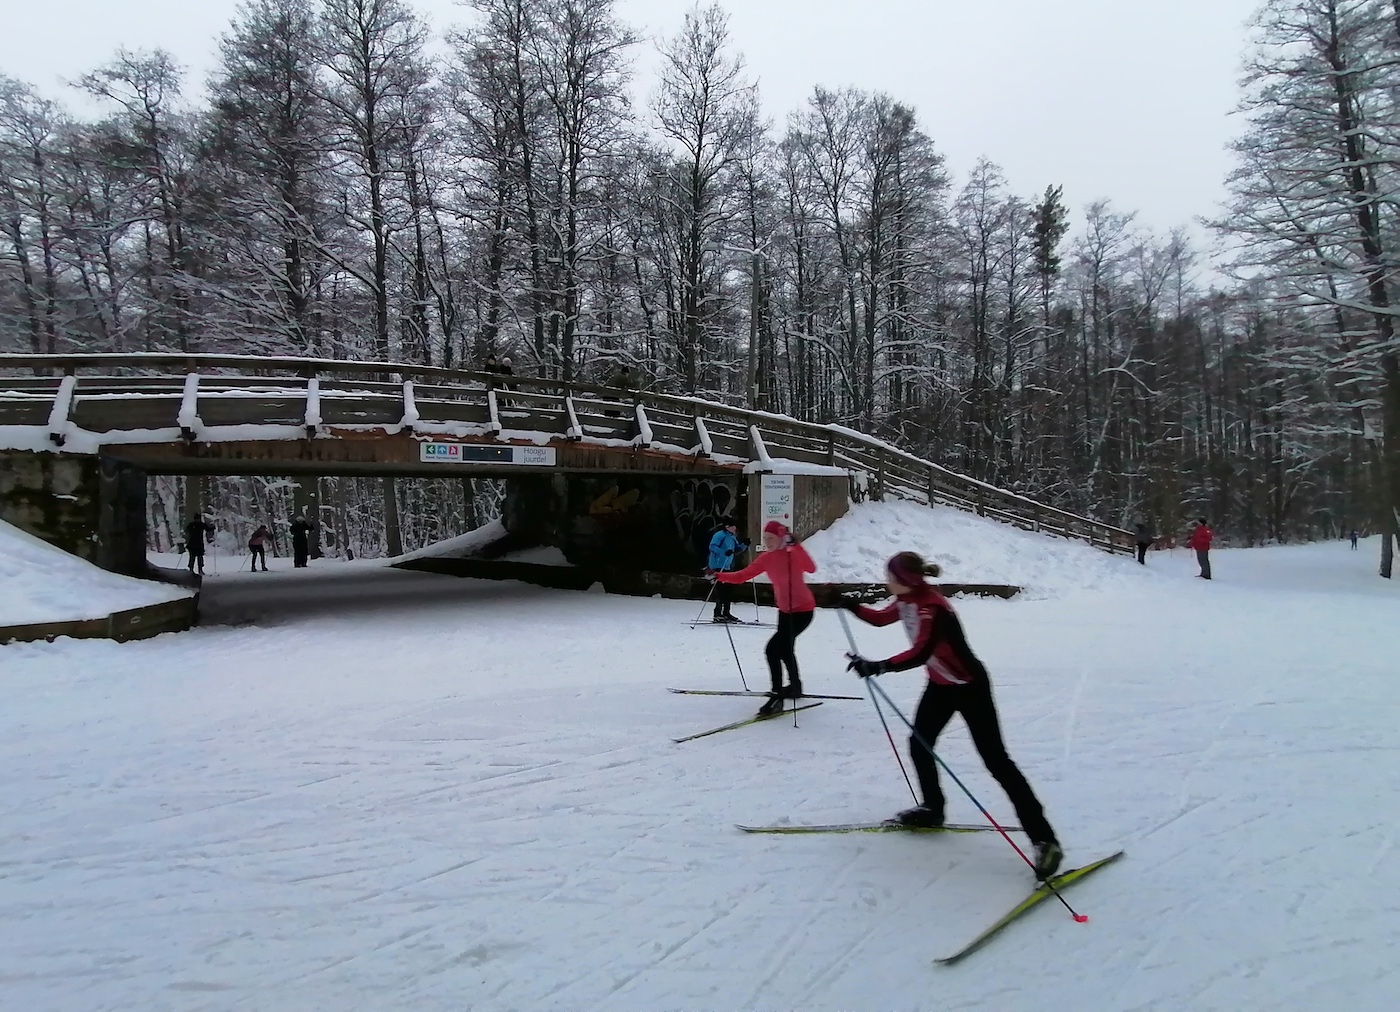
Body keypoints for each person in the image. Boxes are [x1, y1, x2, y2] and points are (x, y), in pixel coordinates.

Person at [841, 551, 1063, 880]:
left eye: (890, 576)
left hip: (970, 687)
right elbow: (879, 619)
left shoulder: (933, 607)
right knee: (920, 744)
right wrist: (845, 604)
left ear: (905, 580)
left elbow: (921, 652)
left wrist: (878, 665)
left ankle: (1045, 841)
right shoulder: (906, 601)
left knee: (997, 762)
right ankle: (933, 809)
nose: (886, 581)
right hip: (940, 686)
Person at [716, 520, 816, 715]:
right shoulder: (766, 558)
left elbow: (811, 568)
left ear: (781, 538)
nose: (768, 542)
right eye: (765, 538)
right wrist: (719, 576)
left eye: (771, 538)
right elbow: (743, 575)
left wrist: (795, 544)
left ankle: (777, 696)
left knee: (772, 650)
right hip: (785, 611)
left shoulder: (792, 555)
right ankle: (795, 687)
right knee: (785, 650)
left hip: (803, 611)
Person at [706, 522, 748, 623]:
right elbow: (712, 546)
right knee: (720, 590)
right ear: (727, 527)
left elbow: (736, 550)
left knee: (728, 590)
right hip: (717, 566)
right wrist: (723, 552)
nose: (735, 528)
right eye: (733, 526)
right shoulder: (719, 535)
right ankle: (717, 613)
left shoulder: (732, 537)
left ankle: (726, 612)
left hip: (727, 566)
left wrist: (745, 545)